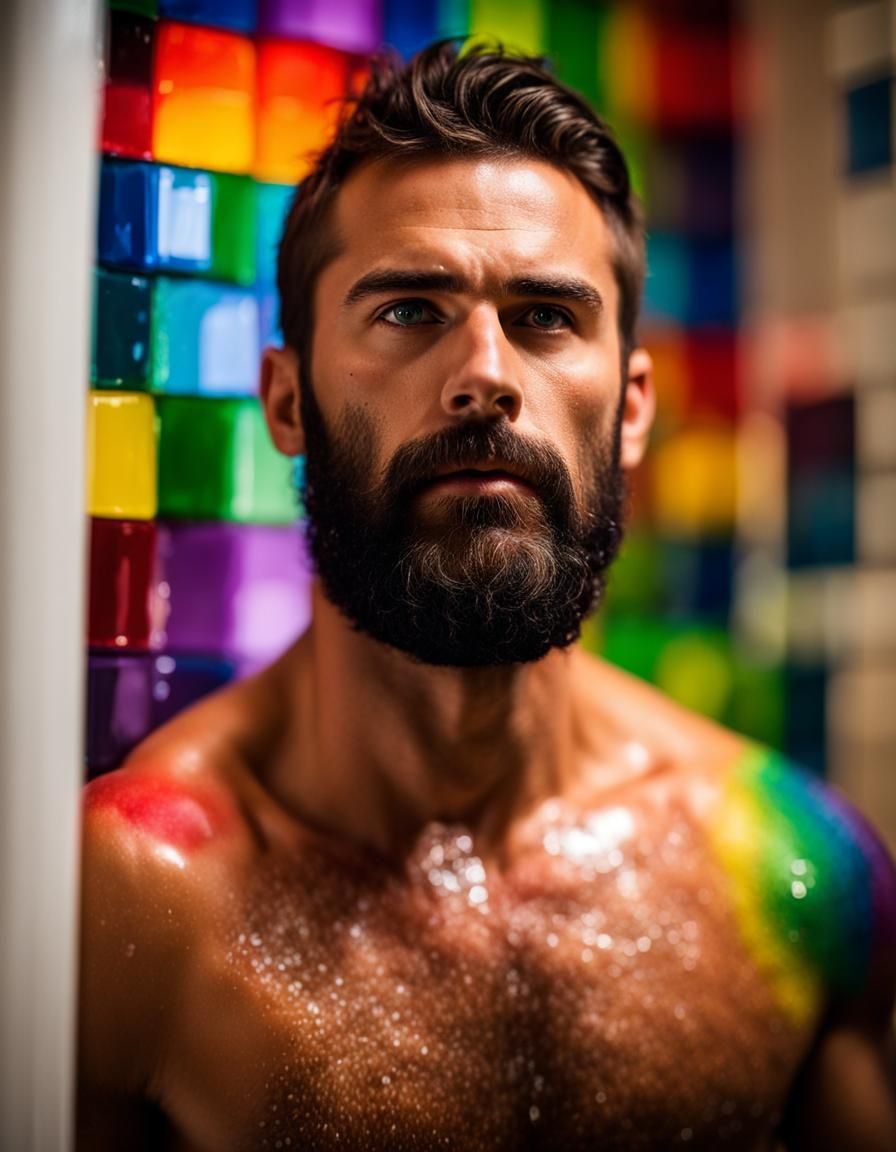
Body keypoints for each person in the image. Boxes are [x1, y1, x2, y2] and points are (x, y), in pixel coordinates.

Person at [77, 41, 896, 1152]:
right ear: (286, 399)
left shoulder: (788, 873)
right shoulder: (140, 899)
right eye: (409, 311)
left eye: (546, 316)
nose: (486, 373)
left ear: (633, 406)